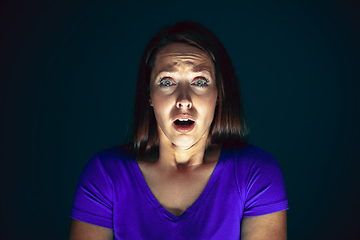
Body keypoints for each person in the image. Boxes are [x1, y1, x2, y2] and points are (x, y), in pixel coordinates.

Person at [69, 21, 288, 240]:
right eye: (167, 82)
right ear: (149, 95)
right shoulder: (105, 174)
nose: (184, 100)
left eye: (200, 81)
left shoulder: (256, 173)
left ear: (219, 93)